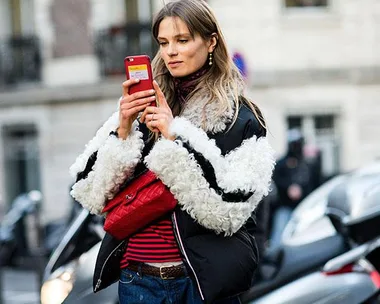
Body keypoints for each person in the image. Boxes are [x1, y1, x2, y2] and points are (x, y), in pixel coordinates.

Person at [69, 1, 275, 303]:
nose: (171, 52)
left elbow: (228, 212)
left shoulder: (239, 118)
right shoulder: (143, 108)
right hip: (138, 280)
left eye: (182, 40)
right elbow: (88, 192)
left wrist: (175, 136)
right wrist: (122, 131)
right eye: (164, 43)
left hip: (200, 283)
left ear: (210, 42)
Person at [270, 128, 313, 249]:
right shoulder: (282, 163)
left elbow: (310, 182)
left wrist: (300, 189)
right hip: (284, 206)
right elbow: (276, 179)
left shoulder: (306, 163)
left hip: (303, 208)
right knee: (278, 238)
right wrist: (289, 187)